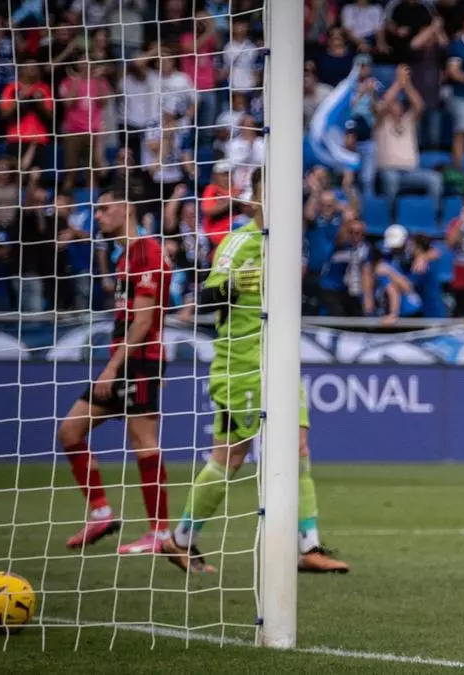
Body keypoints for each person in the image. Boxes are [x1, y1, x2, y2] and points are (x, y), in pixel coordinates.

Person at [174, 168, 350, 574]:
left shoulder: (291, 242)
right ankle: (181, 538)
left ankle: (308, 547)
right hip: (244, 365)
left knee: (298, 449)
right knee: (230, 458)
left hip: (282, 363)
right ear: (254, 201)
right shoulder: (239, 242)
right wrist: (234, 284)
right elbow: (207, 294)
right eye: (272, 194)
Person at [55, 190, 193, 570]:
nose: (98, 216)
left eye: (104, 208)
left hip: (139, 361)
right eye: (96, 209)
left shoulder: (147, 250)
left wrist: (112, 366)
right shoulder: (123, 256)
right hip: (123, 361)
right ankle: (101, 513)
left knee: (144, 442)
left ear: (127, 208)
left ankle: (161, 534)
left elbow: (146, 321)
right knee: (69, 431)